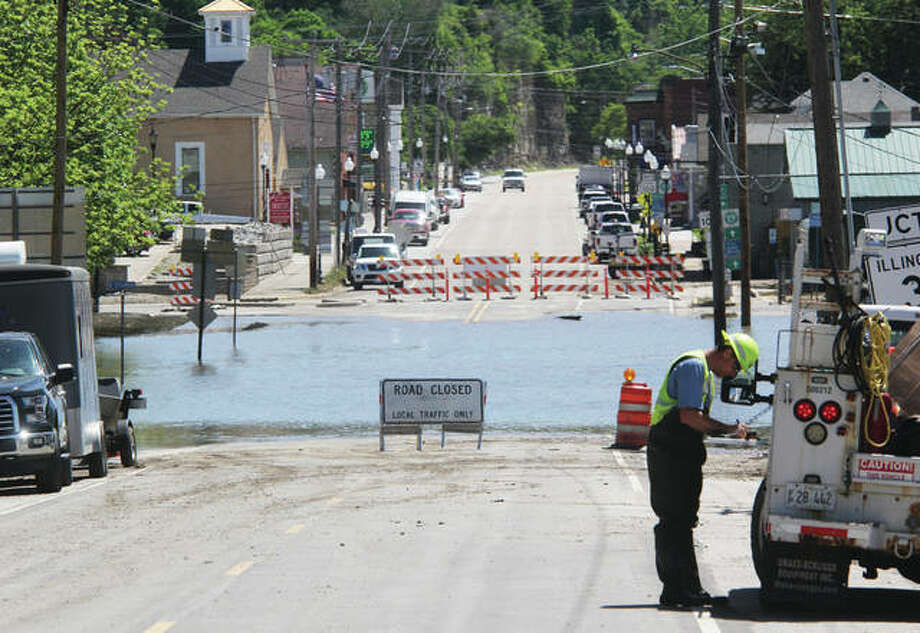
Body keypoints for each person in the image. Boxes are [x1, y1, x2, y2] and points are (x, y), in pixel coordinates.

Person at [647, 330, 759, 608]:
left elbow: (694, 419)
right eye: (735, 367)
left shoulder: (704, 372)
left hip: (680, 452)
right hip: (669, 452)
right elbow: (689, 417)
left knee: (683, 520)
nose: (733, 374)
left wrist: (726, 432)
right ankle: (678, 589)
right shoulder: (694, 367)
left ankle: (686, 588)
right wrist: (729, 429)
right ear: (727, 353)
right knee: (674, 520)